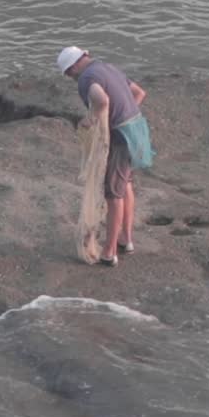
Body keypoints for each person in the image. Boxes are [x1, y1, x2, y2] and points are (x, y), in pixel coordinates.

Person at [57, 46, 151, 266]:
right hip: (137, 129)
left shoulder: (86, 78)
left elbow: (102, 101)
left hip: (120, 138)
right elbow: (139, 93)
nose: (71, 78)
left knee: (113, 194)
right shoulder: (108, 67)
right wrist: (125, 113)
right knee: (125, 183)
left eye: (69, 73)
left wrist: (92, 119)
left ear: (74, 66)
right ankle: (126, 239)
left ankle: (109, 252)